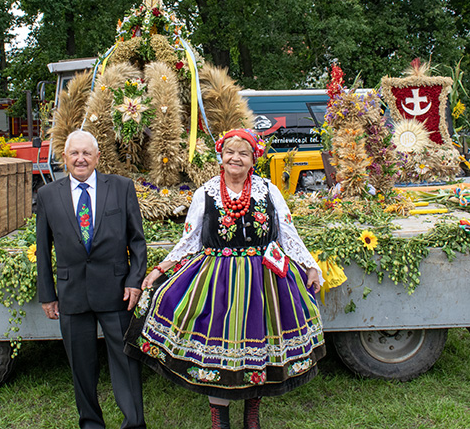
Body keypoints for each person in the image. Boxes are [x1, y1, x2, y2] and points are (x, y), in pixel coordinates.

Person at [125, 129, 326, 429]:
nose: (236, 158)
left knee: (258, 345)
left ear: (253, 159)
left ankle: (252, 414)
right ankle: (219, 417)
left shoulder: (268, 190)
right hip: (217, 281)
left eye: (243, 153)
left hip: (263, 281)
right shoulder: (205, 192)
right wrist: (160, 268)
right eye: (230, 152)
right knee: (217, 349)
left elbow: (288, 233)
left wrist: (310, 265)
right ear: (221, 156)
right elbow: (190, 240)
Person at [36, 129, 147, 429]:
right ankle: (91, 424)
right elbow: (43, 249)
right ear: (65, 158)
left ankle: (134, 423)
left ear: (98, 157)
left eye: (87, 153)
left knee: (125, 362)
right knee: (82, 369)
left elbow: (137, 240)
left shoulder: (121, 188)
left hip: (116, 293)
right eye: (74, 153)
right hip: (72, 295)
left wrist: (134, 280)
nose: (80, 159)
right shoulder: (47, 195)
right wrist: (47, 295)